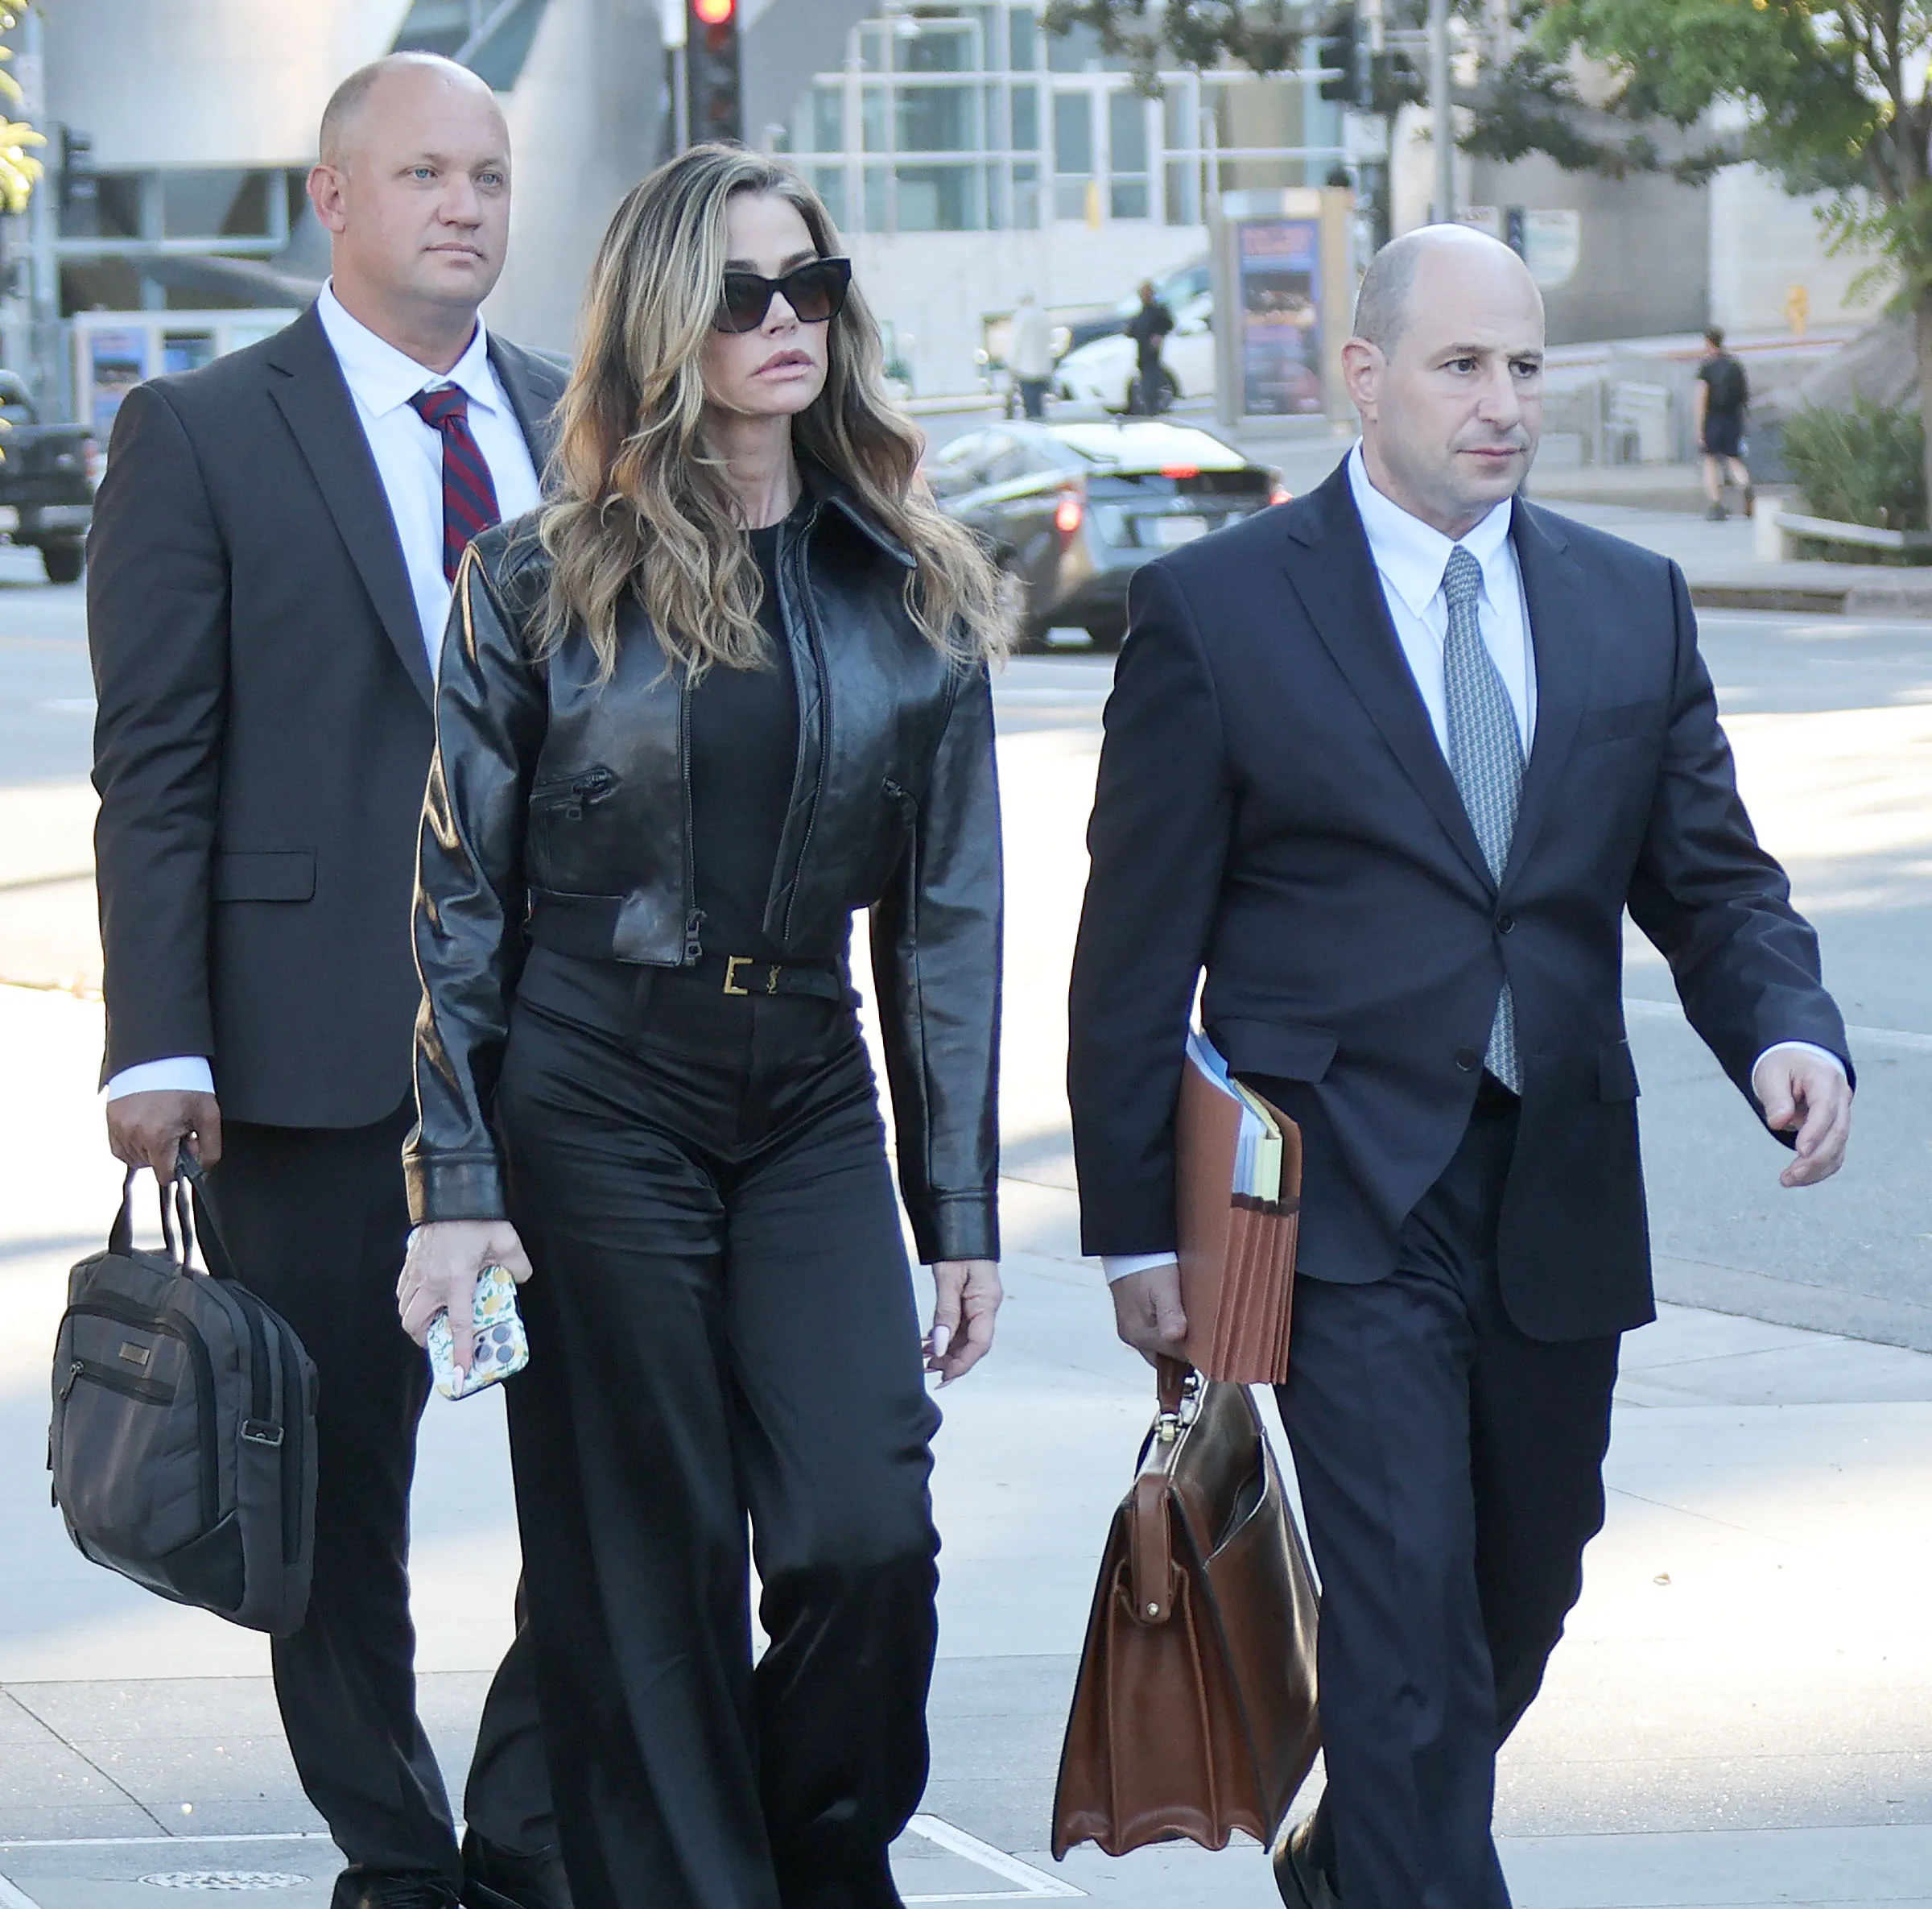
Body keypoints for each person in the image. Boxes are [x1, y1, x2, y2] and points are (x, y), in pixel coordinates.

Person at [1067, 224, 1853, 1909]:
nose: (1505, 402)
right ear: (1364, 376)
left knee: (1525, 1580)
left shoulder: (1627, 601)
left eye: (1525, 366)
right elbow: (1131, 951)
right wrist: (1136, 1230)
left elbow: (1713, 881)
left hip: (1555, 1179)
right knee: (1406, 1604)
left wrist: (1787, 1027)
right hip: (1338, 1197)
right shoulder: (1221, 611)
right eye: (1463, 365)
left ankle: (1358, 1852)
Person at [394, 144, 1007, 1909]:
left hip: (806, 1089)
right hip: (593, 1089)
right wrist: (456, 1181)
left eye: (809, 282)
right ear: (667, 320)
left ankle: (817, 1867)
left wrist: (957, 1210)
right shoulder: (540, 579)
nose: (784, 319)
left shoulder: (912, 586)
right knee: (642, 1576)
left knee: (866, 1536)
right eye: (741, 293)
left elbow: (946, 924)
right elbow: (458, 901)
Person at [88, 53, 568, 1909]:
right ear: (334, 198)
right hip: (308, 1057)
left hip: (575, 1049)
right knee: (335, 1496)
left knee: (621, 1479)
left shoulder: (583, 421)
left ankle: (523, 1837)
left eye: (489, 176)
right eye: (425, 173)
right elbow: (157, 765)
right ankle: (400, 1859)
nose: (464, 206)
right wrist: (159, 1040)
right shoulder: (203, 432)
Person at [1695, 325, 1752, 519]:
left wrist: (1699, 429)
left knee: (1710, 461)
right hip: (1733, 419)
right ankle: (1745, 486)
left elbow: (1701, 399)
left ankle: (1716, 505)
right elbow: (1744, 396)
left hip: (1712, 420)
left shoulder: (1707, 368)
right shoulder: (1735, 366)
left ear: (1708, 343)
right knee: (1733, 459)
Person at [1125, 278, 1174, 415]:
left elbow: (1167, 324)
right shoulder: (1142, 313)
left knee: (1151, 379)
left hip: (1152, 353)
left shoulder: (1158, 311)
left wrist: (1158, 336)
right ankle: (1149, 405)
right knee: (1146, 379)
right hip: (1142, 353)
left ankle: (1154, 405)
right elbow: (1134, 330)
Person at [1009, 289, 1055, 419]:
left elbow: (1016, 343)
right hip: (1043, 369)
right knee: (1041, 405)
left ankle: (1033, 424)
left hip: (1026, 370)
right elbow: (1050, 340)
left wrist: (1011, 364)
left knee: (1030, 405)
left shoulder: (1021, 316)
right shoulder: (1042, 315)